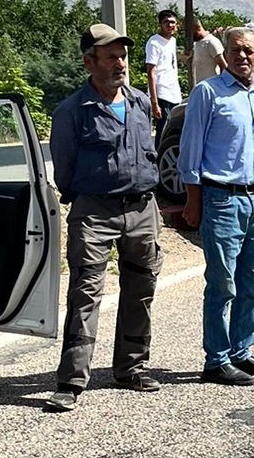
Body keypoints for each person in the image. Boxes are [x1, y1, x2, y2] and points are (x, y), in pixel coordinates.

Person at [45, 23, 164, 412]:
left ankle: (131, 368)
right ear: (88, 62)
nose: (121, 63)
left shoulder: (140, 102)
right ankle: (71, 381)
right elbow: (63, 169)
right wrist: (88, 197)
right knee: (85, 293)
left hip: (143, 208)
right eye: (111, 56)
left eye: (123, 56)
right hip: (95, 211)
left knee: (141, 289)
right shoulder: (71, 111)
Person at [178, 26, 254, 386]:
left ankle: (242, 350)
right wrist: (193, 200)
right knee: (222, 284)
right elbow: (191, 149)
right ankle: (216, 360)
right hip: (221, 197)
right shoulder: (208, 93)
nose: (242, 56)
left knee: (253, 281)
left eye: (249, 51)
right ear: (226, 53)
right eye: (236, 50)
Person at [144, 9, 181, 144]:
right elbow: (151, 72)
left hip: (174, 92)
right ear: (160, 24)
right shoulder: (154, 43)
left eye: (172, 22)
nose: (170, 25)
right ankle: (158, 160)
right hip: (161, 93)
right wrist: (154, 102)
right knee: (163, 130)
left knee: (174, 129)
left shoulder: (172, 41)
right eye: (166, 22)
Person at [188, 19, 227, 87]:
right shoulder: (197, 43)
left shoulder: (211, 42)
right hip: (201, 89)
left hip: (213, 88)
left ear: (197, 27)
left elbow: (224, 66)